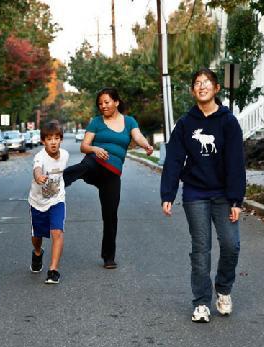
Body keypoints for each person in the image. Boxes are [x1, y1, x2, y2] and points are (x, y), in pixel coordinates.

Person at [160, 68, 245, 323]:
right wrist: (168, 193)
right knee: (201, 249)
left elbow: (235, 162)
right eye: (197, 83)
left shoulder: (228, 122)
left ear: (216, 88)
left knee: (231, 245)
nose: (202, 86)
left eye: (207, 82)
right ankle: (201, 302)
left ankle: (224, 288)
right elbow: (174, 160)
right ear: (192, 90)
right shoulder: (186, 124)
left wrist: (236, 199)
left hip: (223, 193)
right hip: (195, 193)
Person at [63, 88, 153, 269]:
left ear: (116, 102)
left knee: (110, 215)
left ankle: (108, 257)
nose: (103, 106)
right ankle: (58, 182)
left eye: (106, 102)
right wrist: (95, 149)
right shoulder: (96, 122)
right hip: (95, 163)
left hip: (112, 173)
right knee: (84, 166)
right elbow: (84, 146)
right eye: (100, 104)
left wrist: (147, 146)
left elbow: (138, 136)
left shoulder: (129, 121)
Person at [28, 121, 69, 284]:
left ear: (61, 140)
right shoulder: (40, 157)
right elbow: (37, 169)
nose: (53, 142)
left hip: (57, 199)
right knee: (37, 236)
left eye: (57, 138)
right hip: (37, 202)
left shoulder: (65, 155)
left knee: (57, 232)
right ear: (43, 141)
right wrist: (38, 176)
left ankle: (53, 270)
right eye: (49, 138)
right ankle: (37, 252)